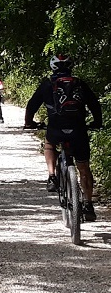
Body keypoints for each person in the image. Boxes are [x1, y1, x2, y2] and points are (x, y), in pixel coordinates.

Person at [24, 54, 102, 221]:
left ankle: (52, 176)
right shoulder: (79, 83)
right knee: (84, 167)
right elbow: (94, 104)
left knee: (50, 144)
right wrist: (97, 122)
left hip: (56, 127)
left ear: (52, 67)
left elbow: (32, 105)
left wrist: (29, 123)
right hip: (78, 129)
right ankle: (88, 204)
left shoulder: (47, 84)